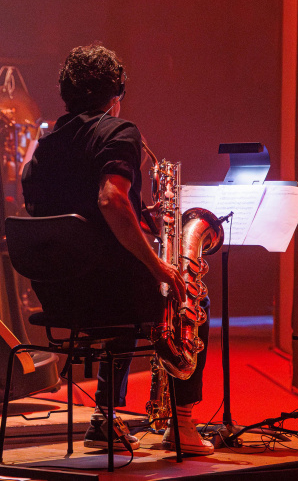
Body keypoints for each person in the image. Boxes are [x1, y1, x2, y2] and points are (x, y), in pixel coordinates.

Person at [20, 44, 213, 455]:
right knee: (189, 293)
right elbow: (110, 200)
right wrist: (158, 264)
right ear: (117, 93)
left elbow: (70, 215)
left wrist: (139, 216)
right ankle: (182, 424)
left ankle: (105, 420)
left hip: (59, 298)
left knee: (124, 273)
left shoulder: (43, 147)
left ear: (65, 95)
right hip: (107, 296)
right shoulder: (120, 132)